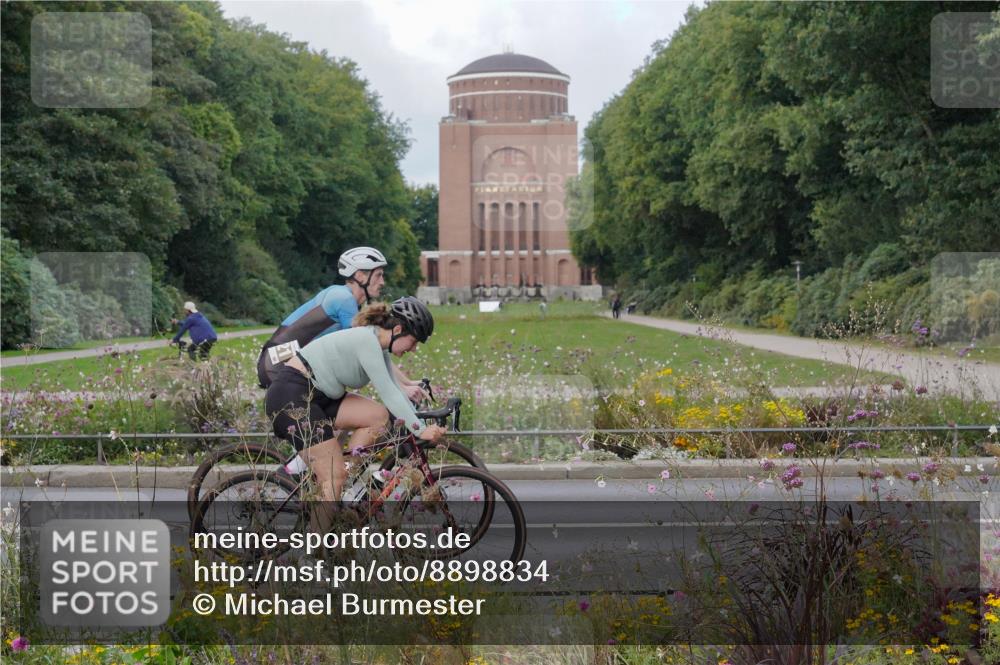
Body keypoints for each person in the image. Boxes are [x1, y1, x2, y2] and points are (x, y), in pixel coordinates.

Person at [264, 296, 446, 505]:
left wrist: (419, 419)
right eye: (414, 341)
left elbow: (396, 389)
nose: (414, 349)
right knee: (334, 478)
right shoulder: (366, 341)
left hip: (320, 394)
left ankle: (343, 480)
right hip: (293, 394)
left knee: (378, 417)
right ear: (397, 330)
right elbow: (388, 392)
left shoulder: (378, 345)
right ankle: (319, 529)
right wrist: (420, 430)